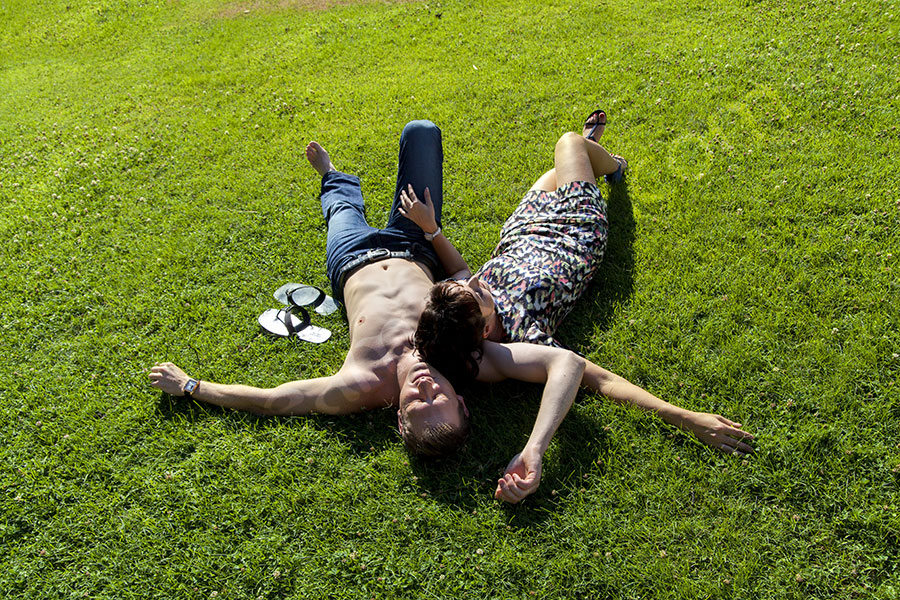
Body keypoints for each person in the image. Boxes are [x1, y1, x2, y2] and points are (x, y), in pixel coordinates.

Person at [149, 120, 586, 459]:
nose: (425, 388)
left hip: (351, 258)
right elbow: (561, 362)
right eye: (441, 397)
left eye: (418, 404)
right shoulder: (466, 359)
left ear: (400, 417)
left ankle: (334, 177)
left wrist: (191, 386)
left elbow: (273, 401)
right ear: (460, 399)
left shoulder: (359, 386)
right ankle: (353, 189)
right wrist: (431, 231)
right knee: (422, 132)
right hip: (415, 240)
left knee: (340, 208)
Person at [402, 111, 755, 503]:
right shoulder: (511, 346)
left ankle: (592, 153)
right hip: (574, 231)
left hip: (525, 228)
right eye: (478, 294)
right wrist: (685, 418)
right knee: (569, 144)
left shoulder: (449, 323)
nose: (473, 281)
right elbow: (596, 377)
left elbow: (463, 270)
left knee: (564, 163)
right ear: (485, 331)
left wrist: (431, 230)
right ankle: (613, 165)